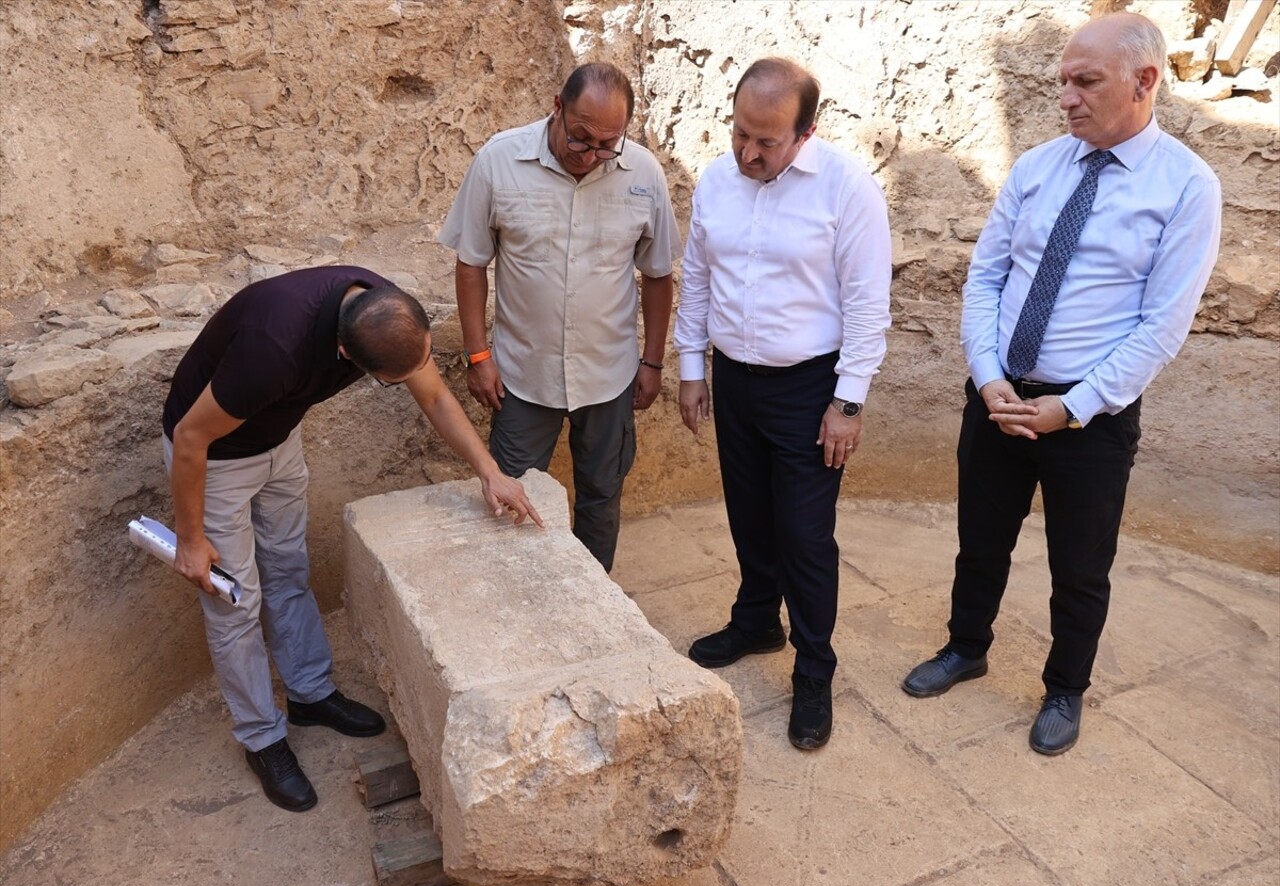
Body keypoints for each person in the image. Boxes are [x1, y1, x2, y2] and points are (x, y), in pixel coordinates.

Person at [901, 12, 1221, 756]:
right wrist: (987, 379)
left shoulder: (1186, 188)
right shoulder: (1038, 167)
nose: (1067, 99)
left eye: (1085, 82)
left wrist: (1070, 408)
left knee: (1080, 566)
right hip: (999, 397)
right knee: (980, 541)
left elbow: (1161, 326)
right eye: (1062, 83)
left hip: (1090, 416)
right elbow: (985, 277)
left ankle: (1064, 688)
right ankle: (965, 646)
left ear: (1145, 82)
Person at [163, 265, 542, 812]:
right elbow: (190, 437)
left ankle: (310, 694)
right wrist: (192, 538)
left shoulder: (383, 309)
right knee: (234, 601)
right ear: (346, 354)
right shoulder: (274, 350)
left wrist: (488, 470)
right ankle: (261, 737)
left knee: (289, 570)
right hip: (215, 461)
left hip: (279, 440)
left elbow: (434, 397)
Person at [674, 58, 892, 751]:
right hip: (734, 379)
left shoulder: (847, 188)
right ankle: (755, 620)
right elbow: (698, 273)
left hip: (809, 387)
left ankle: (815, 671)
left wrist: (848, 402)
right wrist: (690, 366)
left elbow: (866, 301)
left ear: (806, 132)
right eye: (740, 133)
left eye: (767, 141)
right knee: (748, 513)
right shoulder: (716, 180)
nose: (748, 152)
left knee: (804, 533)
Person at [438, 62, 680, 573]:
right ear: (557, 107)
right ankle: (517, 606)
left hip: (609, 375)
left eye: (606, 144)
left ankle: (596, 604)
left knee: (601, 497)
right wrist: (478, 355)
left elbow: (658, 275)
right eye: (580, 138)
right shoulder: (499, 162)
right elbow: (471, 263)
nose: (591, 155)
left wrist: (652, 363)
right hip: (523, 377)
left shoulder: (643, 174)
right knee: (510, 501)